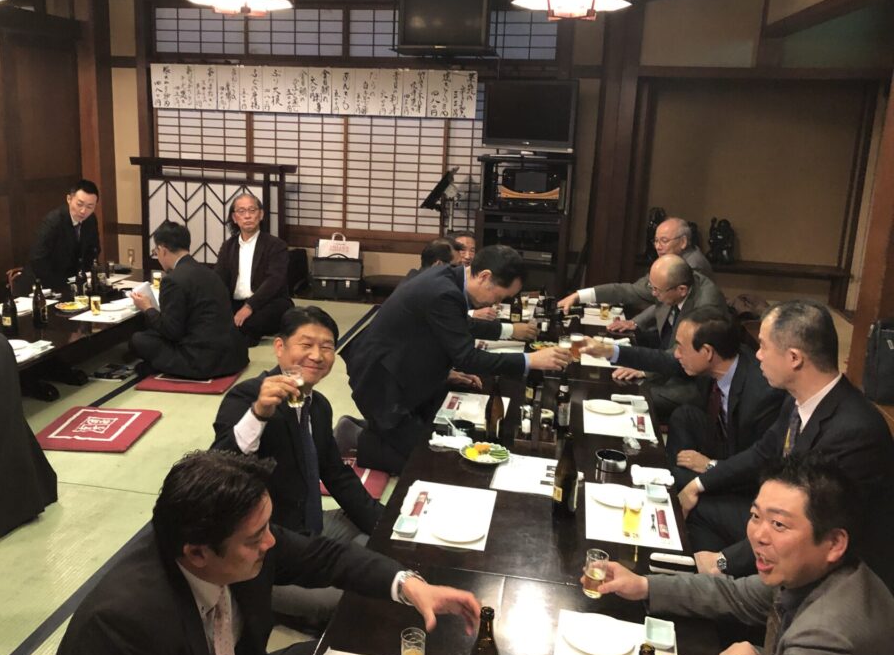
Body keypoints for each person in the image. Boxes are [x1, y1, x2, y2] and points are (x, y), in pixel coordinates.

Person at [48, 450, 481, 655]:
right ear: (197, 554)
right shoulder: (125, 623)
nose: (270, 543)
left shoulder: (242, 535)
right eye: (256, 539)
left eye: (267, 527)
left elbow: (327, 557)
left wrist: (410, 584)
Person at [594, 455, 894, 655]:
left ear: (834, 543)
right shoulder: (811, 571)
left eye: (779, 524)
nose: (758, 535)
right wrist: (643, 585)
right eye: (755, 516)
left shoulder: (831, 636)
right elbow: (734, 594)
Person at [677, 300, 894, 589]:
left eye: (764, 346)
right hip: (783, 520)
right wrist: (699, 483)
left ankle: (729, 598)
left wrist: (724, 560)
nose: (757, 355)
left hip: (836, 568)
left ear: (794, 358)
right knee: (694, 505)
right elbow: (762, 452)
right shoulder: (798, 399)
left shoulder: (854, 431)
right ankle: (713, 590)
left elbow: (808, 528)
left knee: (714, 559)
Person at [211, 306, 383, 629]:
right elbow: (217, 468)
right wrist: (259, 413)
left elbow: (336, 475)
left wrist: (385, 525)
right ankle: (279, 607)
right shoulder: (247, 397)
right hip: (267, 551)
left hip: (310, 527)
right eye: (306, 344)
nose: (317, 355)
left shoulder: (319, 406)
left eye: (327, 346)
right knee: (356, 596)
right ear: (280, 347)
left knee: (377, 538)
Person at [344, 245, 571, 473]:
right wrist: (530, 360)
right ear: (484, 277)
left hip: (401, 369)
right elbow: (467, 358)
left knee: (434, 438)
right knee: (428, 465)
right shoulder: (443, 291)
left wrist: (506, 332)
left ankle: (377, 430)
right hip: (380, 381)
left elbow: (458, 325)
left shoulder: (450, 280)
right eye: (500, 296)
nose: (496, 303)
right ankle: (356, 438)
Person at [583, 307, 784, 488]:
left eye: (680, 347)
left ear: (707, 352)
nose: (677, 354)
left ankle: (683, 484)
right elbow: (662, 360)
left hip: (744, 472)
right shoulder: (718, 362)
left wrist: (710, 465)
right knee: (685, 415)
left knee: (694, 490)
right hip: (721, 438)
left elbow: (759, 463)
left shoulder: (762, 394)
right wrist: (608, 351)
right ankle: (676, 478)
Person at [607, 254, 728, 419]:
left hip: (695, 382)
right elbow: (628, 291)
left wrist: (644, 369)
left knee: (633, 397)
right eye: (651, 287)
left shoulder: (706, 303)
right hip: (673, 361)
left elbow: (679, 355)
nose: (653, 293)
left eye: (656, 290)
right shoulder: (672, 284)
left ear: (682, 290)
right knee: (624, 385)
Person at [130, 220, 248, 379]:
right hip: (233, 355)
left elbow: (172, 332)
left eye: (155, 252)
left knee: (139, 340)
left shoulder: (172, 280)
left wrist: (148, 308)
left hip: (202, 360)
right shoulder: (209, 272)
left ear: (162, 250)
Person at [557, 216, 714, 330]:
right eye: (656, 241)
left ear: (683, 242)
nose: (658, 246)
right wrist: (580, 295)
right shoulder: (671, 260)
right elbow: (636, 290)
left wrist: (635, 322)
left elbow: (664, 302)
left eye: (664, 241)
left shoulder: (693, 267)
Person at [214, 192, 293, 346]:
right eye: (241, 211)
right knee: (210, 319)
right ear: (234, 218)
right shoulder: (228, 246)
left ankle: (238, 336)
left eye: (252, 210)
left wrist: (249, 306)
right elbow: (219, 279)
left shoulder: (276, 245)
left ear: (261, 214)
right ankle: (238, 336)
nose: (247, 216)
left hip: (267, 303)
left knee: (250, 322)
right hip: (236, 303)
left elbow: (274, 281)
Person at [27, 179, 101, 292]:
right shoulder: (53, 221)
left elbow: (93, 251)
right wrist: (60, 286)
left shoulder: (90, 220)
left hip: (73, 282)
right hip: (43, 284)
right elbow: (38, 259)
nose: (83, 211)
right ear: (69, 199)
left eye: (90, 207)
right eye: (79, 204)